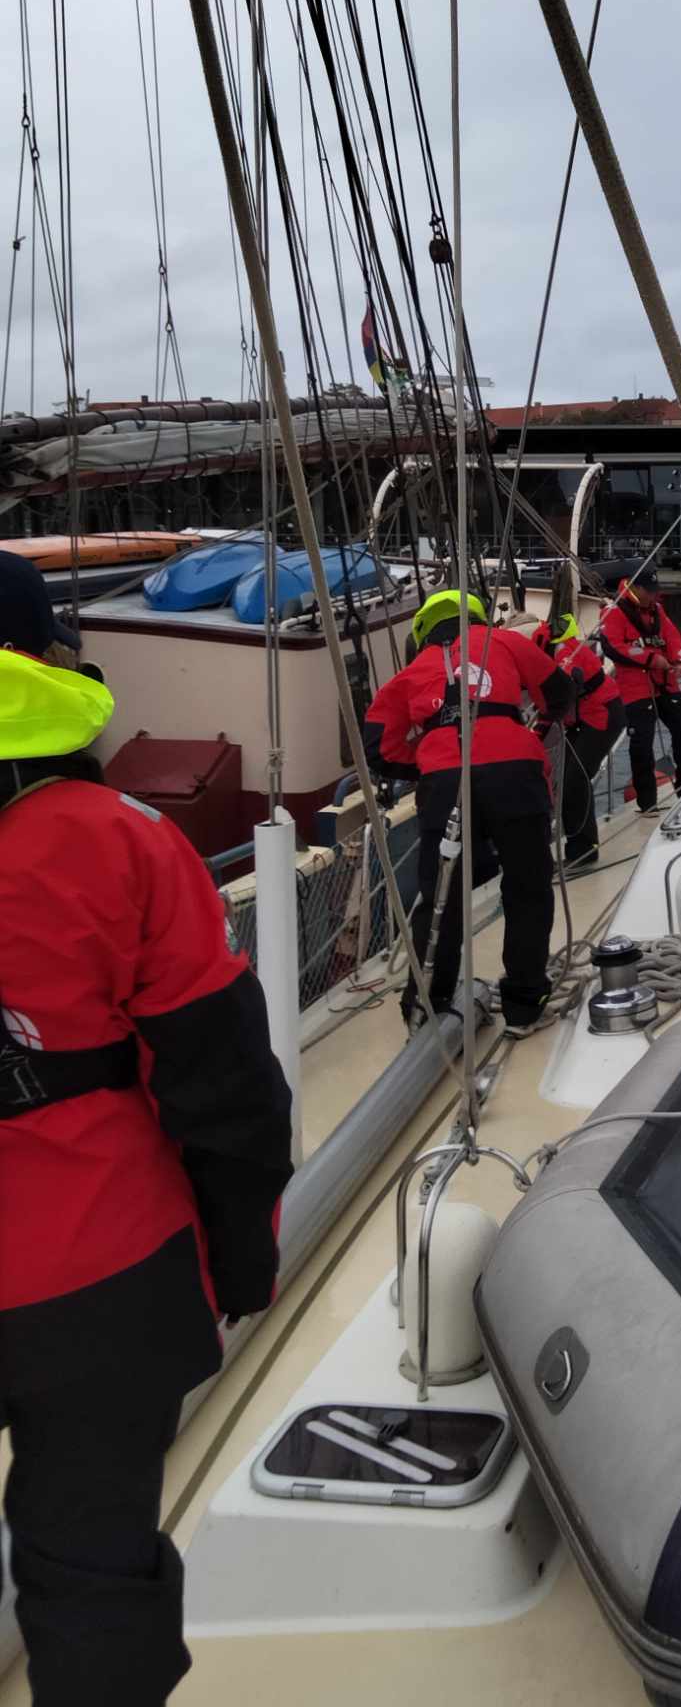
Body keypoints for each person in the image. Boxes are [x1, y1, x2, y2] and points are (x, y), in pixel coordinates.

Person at [0, 552, 294, 1706]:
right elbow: (225, 1083)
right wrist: (242, 1256)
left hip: (84, 1277)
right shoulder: (118, 838)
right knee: (92, 1573)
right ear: (48, 660)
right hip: (95, 1276)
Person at [363, 590, 574, 1031]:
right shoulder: (506, 642)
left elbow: (378, 747)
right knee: (528, 888)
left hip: (445, 782)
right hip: (515, 772)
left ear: (423, 633)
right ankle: (524, 1006)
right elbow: (559, 691)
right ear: (478, 618)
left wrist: (426, 761)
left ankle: (428, 1005)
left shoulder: (410, 674)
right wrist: (538, 727)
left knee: (442, 897)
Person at [598, 565, 681, 815]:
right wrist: (650, 659)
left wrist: (679, 660)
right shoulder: (613, 612)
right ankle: (647, 802)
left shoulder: (657, 610)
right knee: (642, 743)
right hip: (635, 688)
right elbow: (614, 647)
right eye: (650, 590)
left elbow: (672, 637)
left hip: (665, 683)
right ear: (636, 588)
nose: (654, 595)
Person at [532, 609, 623, 870]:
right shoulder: (560, 648)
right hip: (586, 718)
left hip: (601, 714)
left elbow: (563, 688)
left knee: (575, 780)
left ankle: (583, 850)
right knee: (567, 780)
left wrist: (538, 731)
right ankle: (579, 846)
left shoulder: (564, 652)